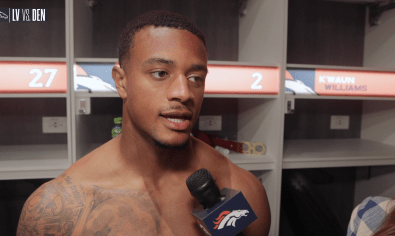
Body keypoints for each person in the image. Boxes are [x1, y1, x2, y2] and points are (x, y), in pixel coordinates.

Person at [16, 10, 271, 236]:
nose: (184, 93)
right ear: (121, 82)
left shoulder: (242, 188)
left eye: (195, 77)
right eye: (160, 73)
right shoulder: (57, 210)